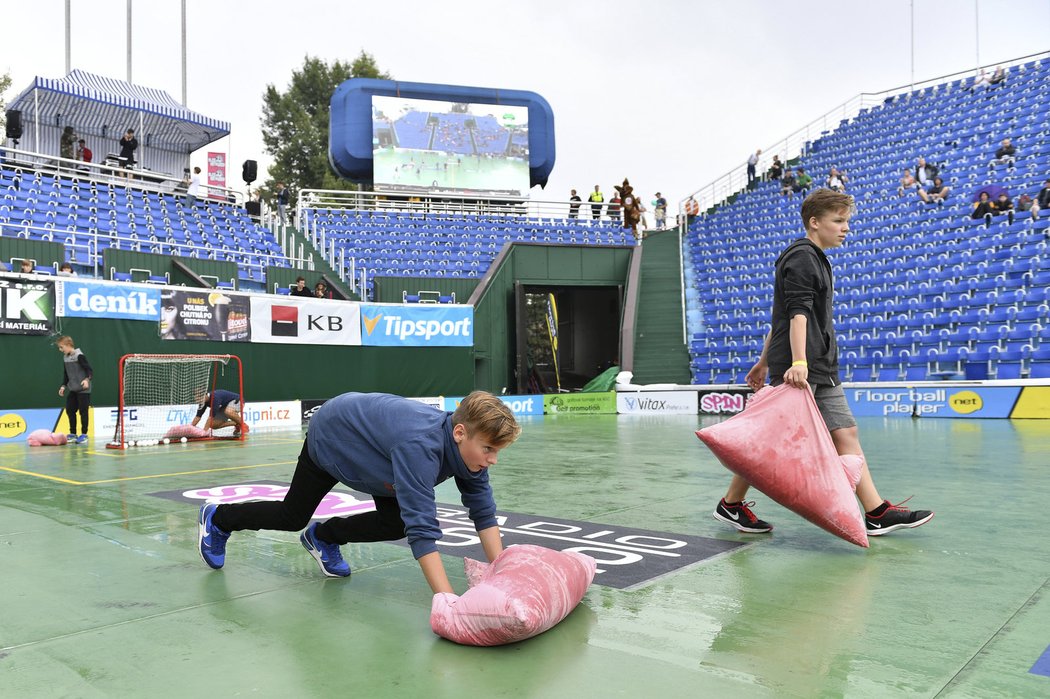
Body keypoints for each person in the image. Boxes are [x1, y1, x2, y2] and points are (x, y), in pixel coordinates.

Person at [715, 189, 934, 537]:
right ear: (815, 223)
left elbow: (782, 318)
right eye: (838, 221)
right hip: (801, 368)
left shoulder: (817, 258)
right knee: (771, 441)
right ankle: (730, 504)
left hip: (821, 367)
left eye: (847, 221)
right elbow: (797, 314)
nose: (845, 228)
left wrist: (761, 361)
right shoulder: (802, 257)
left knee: (845, 432)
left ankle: (876, 512)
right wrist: (797, 361)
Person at [196, 391, 521, 591]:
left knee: (396, 522)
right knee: (291, 516)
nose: (492, 459)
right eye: (489, 449)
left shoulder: (471, 455)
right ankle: (219, 518)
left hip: (378, 458)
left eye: (497, 452)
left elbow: (482, 510)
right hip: (333, 438)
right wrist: (448, 602)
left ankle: (323, 537)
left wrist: (502, 575)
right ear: (460, 433)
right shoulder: (421, 448)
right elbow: (423, 530)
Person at [56, 335, 92, 445]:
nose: (60, 350)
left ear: (68, 345)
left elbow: (89, 369)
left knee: (83, 411)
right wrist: (63, 386)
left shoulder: (79, 356)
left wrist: (87, 380)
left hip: (83, 389)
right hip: (73, 388)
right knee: (70, 410)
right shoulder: (65, 357)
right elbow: (66, 373)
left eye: (61, 347)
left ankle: (84, 435)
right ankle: (72, 434)